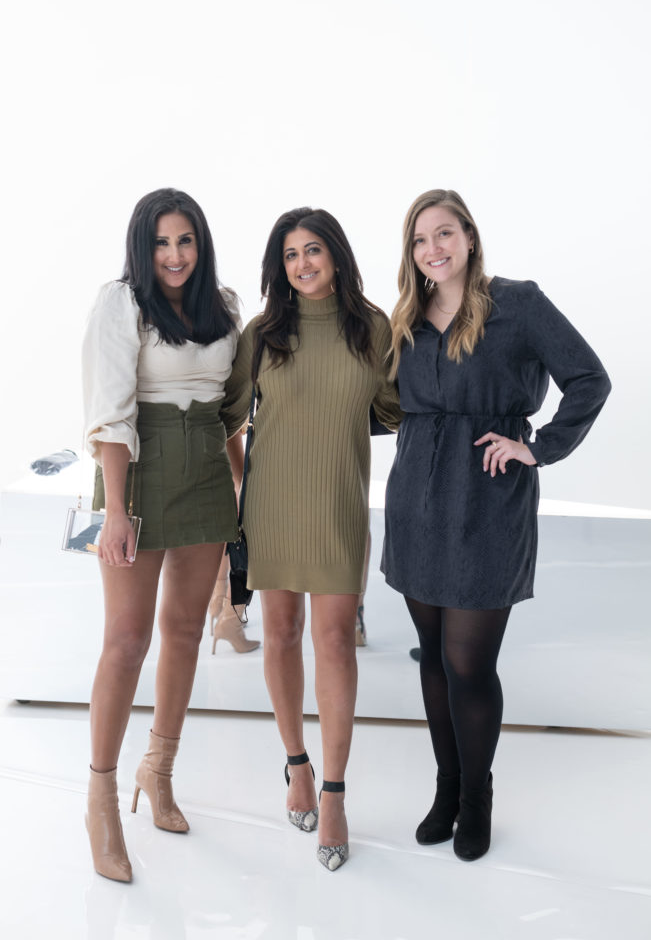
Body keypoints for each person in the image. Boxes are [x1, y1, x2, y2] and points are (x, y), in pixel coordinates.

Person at [382, 189, 611, 862]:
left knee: (468, 662)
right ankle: (446, 790)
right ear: (412, 253)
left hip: (485, 501)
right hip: (414, 501)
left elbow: (588, 380)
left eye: (444, 232)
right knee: (431, 657)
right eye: (421, 239)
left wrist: (537, 446)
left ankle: (477, 798)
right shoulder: (406, 317)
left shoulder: (517, 304)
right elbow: (387, 408)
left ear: (469, 238)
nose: (434, 248)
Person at [222, 207, 401, 870]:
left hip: (337, 505)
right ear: (279, 265)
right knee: (282, 635)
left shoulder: (373, 326)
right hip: (270, 505)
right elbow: (228, 420)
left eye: (313, 250)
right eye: (291, 254)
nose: (303, 264)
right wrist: (244, 491)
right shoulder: (263, 332)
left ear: (335, 256)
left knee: (333, 641)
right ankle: (294, 761)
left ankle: (333, 791)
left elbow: (392, 410)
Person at [82, 188, 245, 882]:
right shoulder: (120, 303)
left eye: (185, 241)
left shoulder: (225, 307)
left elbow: (232, 409)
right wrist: (115, 510)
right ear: (141, 247)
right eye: (161, 242)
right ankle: (100, 799)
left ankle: (159, 769)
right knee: (126, 640)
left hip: (207, 471)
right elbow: (109, 411)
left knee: (183, 634)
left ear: (200, 245)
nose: (174, 255)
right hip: (138, 471)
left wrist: (244, 489)